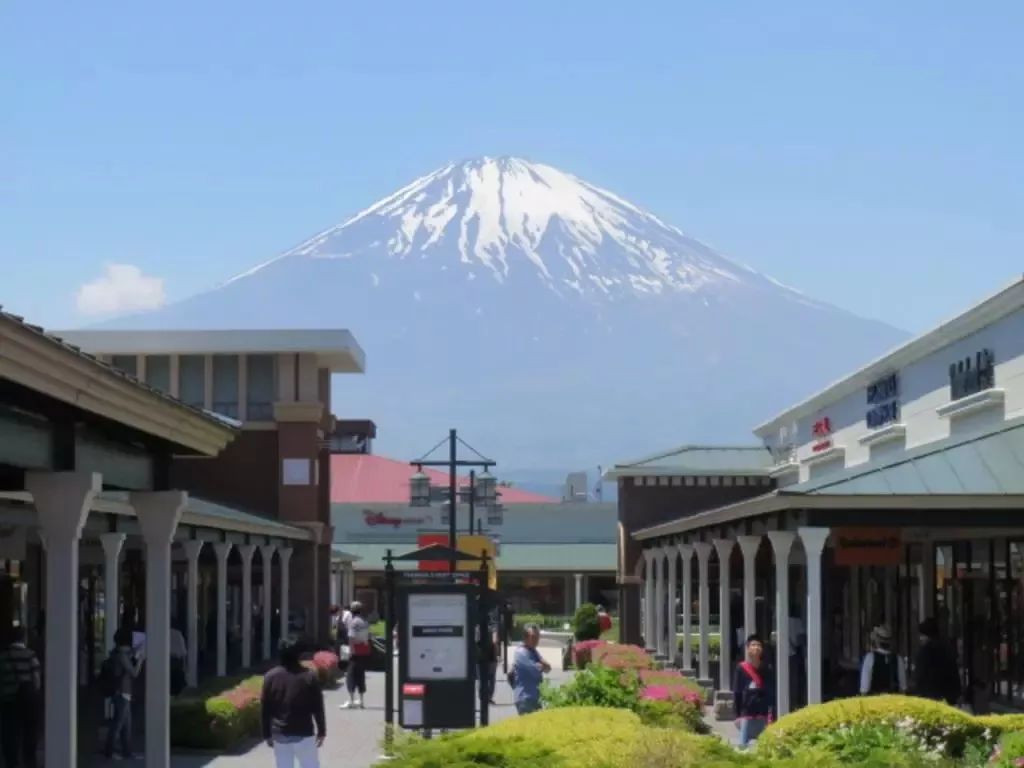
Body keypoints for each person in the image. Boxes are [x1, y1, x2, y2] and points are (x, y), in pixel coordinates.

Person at [261, 639, 326, 768]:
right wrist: (322, 730)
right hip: (304, 731)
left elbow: (265, 709)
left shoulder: (270, 677)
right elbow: (318, 707)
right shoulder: (309, 676)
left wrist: (267, 734)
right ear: (298, 655)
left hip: (280, 733)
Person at [0, 626, 42, 768]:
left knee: (10, 736)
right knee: (29, 734)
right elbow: (36, 681)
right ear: (24, 638)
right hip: (28, 702)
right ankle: (29, 762)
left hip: (9, 703)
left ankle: (12, 763)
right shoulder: (31, 655)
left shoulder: (3, 657)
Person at [105, 628, 144, 761]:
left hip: (124, 693)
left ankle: (127, 752)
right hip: (121, 693)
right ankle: (109, 752)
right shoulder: (121, 656)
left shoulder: (120, 653)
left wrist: (137, 650)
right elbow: (134, 673)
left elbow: (130, 653)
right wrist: (140, 660)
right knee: (118, 724)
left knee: (126, 726)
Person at [733, 634, 774, 748]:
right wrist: (737, 715)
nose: (756, 647)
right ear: (748, 648)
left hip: (763, 713)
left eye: (759, 645)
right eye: (753, 645)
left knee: (765, 747)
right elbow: (737, 692)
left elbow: (771, 691)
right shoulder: (741, 668)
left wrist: (771, 713)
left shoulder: (767, 668)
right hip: (747, 713)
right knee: (742, 746)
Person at [913, 618, 961, 705]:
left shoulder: (925, 652)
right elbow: (954, 672)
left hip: (930, 696)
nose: (920, 638)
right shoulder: (947, 649)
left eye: (922, 636)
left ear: (927, 636)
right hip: (948, 696)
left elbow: (920, 675)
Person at [510, 623, 550, 715]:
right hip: (525, 697)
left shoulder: (534, 651)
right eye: (533, 637)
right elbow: (536, 671)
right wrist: (540, 665)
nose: (536, 640)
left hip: (536, 698)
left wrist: (541, 665)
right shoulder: (520, 653)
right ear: (525, 638)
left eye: (538, 637)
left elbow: (548, 668)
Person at [860, 625, 907, 695]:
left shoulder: (870, 658)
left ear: (877, 641)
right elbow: (903, 687)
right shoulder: (898, 659)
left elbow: (865, 688)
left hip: (875, 701)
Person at [340, 601, 370, 709]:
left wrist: (351, 651)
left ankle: (351, 701)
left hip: (355, 652)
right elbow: (367, 637)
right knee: (361, 675)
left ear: (352, 610)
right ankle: (361, 701)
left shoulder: (353, 623)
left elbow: (351, 638)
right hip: (364, 651)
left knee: (351, 675)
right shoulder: (365, 622)